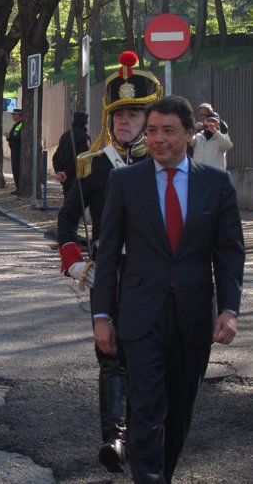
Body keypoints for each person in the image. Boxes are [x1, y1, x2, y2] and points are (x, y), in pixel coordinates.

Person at [92, 95, 245, 484]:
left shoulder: (216, 184)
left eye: (168, 131)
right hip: (141, 316)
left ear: (190, 133)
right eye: (153, 130)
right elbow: (107, 254)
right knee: (145, 409)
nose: (158, 139)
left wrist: (229, 309)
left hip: (194, 317)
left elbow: (229, 254)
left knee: (178, 412)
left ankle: (164, 475)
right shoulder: (125, 181)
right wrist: (102, 316)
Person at [56, 50, 163, 474]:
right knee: (110, 353)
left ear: (147, 119)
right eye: (119, 115)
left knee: (148, 357)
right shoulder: (94, 167)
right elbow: (66, 223)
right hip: (108, 273)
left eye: (133, 115)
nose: (124, 122)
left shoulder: (163, 166)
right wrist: (75, 263)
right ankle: (114, 438)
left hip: (152, 276)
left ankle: (139, 433)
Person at [52, 111, 90, 199]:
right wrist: (66, 172)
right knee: (76, 207)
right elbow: (81, 159)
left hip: (65, 178)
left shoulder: (65, 135)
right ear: (85, 123)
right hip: (76, 178)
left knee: (68, 204)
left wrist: (59, 171)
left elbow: (56, 157)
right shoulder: (84, 137)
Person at [6, 108, 23, 194]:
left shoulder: (20, 125)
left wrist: (9, 137)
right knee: (15, 169)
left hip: (17, 151)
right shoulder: (17, 124)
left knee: (17, 169)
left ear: (18, 115)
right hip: (15, 150)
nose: (13, 116)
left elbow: (16, 136)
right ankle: (18, 188)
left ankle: (20, 189)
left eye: (14, 114)